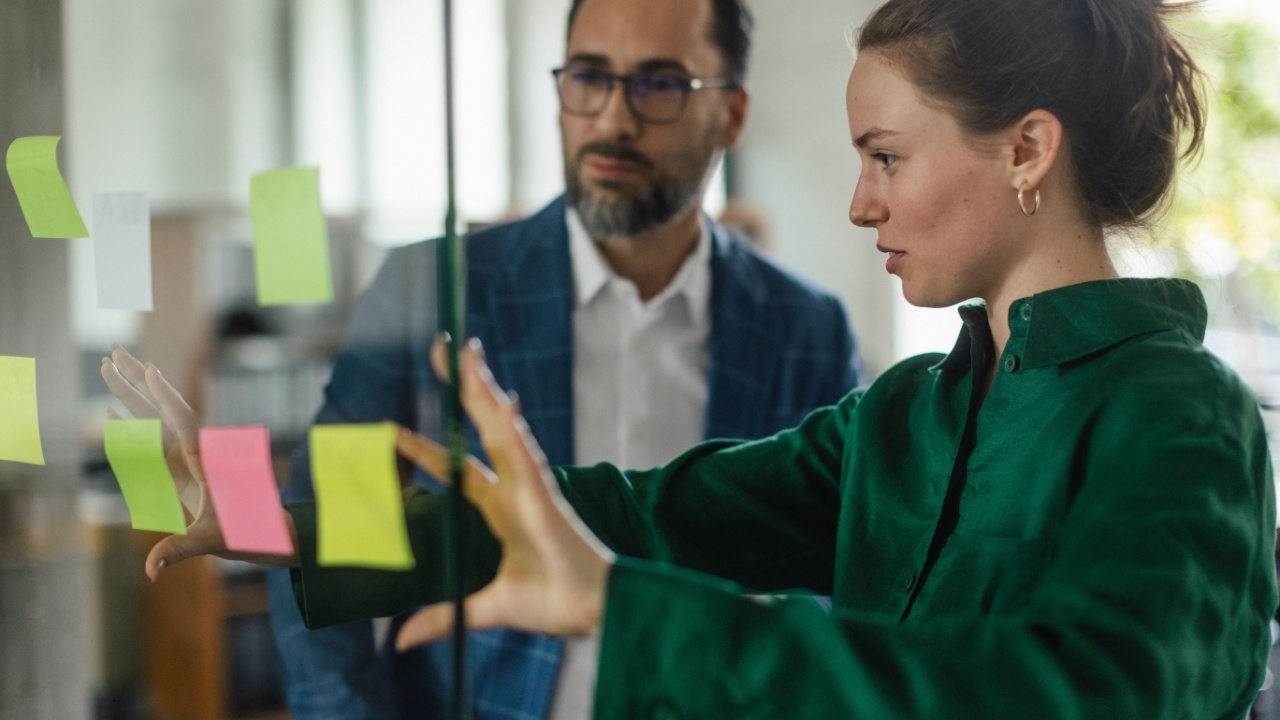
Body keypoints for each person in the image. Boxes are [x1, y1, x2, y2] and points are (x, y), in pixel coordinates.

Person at [115, 0, 1278, 716]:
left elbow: (1086, 692)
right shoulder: (906, 416)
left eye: (883, 155)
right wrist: (276, 514)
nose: (858, 202)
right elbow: (620, 512)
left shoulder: (1182, 417)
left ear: (1025, 149)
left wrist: (623, 614)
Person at [102, 0, 862, 718]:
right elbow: (325, 551)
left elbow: (841, 585)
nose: (612, 118)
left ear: (730, 113)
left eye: (659, 84)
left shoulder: (808, 329)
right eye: (589, 77)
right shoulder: (432, 289)